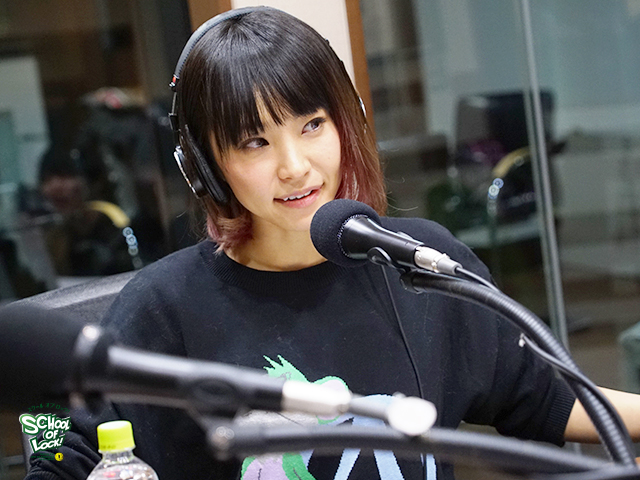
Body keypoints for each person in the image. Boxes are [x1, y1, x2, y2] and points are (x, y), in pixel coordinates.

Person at [23, 7, 640, 480]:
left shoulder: (420, 262)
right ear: (205, 168)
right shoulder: (165, 307)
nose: (295, 166)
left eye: (312, 125)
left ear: (348, 123)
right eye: (255, 142)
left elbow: (548, 398)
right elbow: (56, 441)